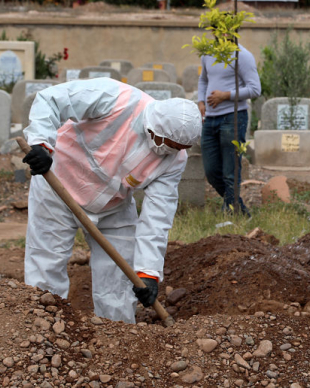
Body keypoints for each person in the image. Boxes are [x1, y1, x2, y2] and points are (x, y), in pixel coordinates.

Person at [22, 78, 202, 323]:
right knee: (46, 265)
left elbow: (157, 215)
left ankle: (116, 338)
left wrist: (148, 272)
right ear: (153, 127)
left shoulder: (175, 159)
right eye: (163, 143)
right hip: (58, 185)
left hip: (113, 206)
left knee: (118, 281)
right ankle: (43, 329)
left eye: (176, 148)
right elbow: (52, 99)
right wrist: (42, 144)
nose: (165, 152)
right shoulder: (117, 98)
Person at [197, 44, 261, 215]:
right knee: (211, 171)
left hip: (233, 117)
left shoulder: (242, 55)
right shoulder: (208, 53)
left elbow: (255, 89)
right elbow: (204, 79)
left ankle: (231, 212)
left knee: (230, 171)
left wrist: (226, 95)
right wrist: (201, 101)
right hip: (210, 119)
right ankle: (238, 208)